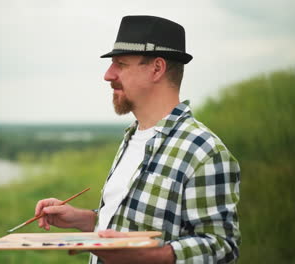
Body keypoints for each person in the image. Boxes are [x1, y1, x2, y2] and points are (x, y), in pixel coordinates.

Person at [35, 15, 241, 264]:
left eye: (120, 64)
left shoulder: (204, 151)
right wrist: (80, 218)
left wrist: (153, 257)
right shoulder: (132, 138)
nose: (108, 75)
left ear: (157, 69)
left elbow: (222, 246)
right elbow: (130, 223)